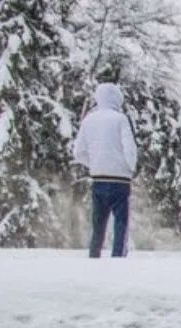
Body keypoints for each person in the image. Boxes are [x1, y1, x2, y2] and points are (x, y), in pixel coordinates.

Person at [72, 83, 138, 258]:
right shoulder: (120, 119)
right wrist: (130, 168)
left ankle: (94, 255)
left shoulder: (88, 120)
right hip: (120, 180)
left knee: (98, 223)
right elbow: (129, 148)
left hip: (98, 178)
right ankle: (118, 256)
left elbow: (78, 152)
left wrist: (93, 163)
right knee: (121, 223)